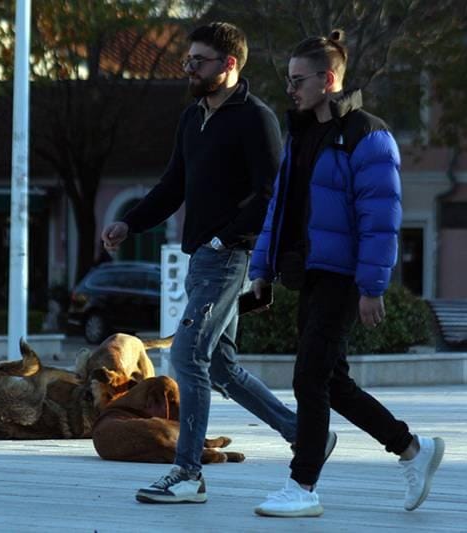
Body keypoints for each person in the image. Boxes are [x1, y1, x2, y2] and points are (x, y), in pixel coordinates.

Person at [102, 22, 336, 505]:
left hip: (229, 257)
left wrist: (223, 237)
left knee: (186, 357)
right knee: (221, 367)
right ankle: (305, 434)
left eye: (199, 61)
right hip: (201, 259)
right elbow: (173, 184)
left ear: (229, 64)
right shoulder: (193, 117)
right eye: (187, 59)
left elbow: (272, 194)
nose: (189, 68)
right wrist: (130, 222)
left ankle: (188, 473)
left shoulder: (256, 119)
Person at [250, 32, 445, 518]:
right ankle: (412, 449)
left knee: (309, 378)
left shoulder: (368, 135)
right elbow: (279, 208)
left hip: (343, 275)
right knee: (332, 382)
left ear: (328, 79)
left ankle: (303, 485)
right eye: (288, 79)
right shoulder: (299, 134)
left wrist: (372, 286)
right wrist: (262, 268)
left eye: (298, 80)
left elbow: (381, 216)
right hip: (309, 272)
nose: (291, 89)